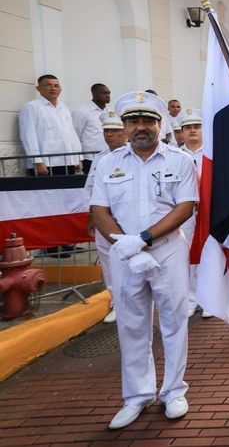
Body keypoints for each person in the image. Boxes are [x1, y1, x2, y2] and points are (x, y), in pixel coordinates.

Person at [90, 91, 197, 429]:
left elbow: (185, 206)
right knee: (131, 325)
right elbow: (99, 209)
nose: (141, 127)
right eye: (134, 121)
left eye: (148, 121)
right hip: (124, 255)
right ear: (123, 126)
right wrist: (125, 244)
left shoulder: (179, 160)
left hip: (166, 250)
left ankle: (174, 391)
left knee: (174, 321)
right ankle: (136, 395)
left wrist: (144, 239)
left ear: (159, 125)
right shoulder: (109, 163)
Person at [83, 110, 128, 324]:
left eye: (115, 131)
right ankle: (117, 303)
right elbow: (90, 190)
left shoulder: (133, 156)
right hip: (103, 219)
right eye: (106, 131)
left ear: (125, 133)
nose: (110, 135)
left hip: (127, 218)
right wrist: (91, 216)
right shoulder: (100, 159)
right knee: (108, 263)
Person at [174, 108, 207, 318]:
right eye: (188, 127)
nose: (192, 131)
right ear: (182, 132)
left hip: (208, 211)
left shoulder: (212, 153)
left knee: (209, 254)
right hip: (184, 212)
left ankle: (208, 298)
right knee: (187, 255)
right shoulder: (174, 155)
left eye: (196, 126)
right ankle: (191, 298)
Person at [19, 74, 82, 175]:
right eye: (48, 85)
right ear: (38, 88)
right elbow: (28, 136)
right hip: (46, 164)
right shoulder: (31, 107)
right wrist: (37, 161)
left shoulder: (64, 108)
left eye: (56, 86)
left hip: (68, 162)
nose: (53, 89)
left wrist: (78, 158)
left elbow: (71, 133)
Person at [72, 83, 111, 173]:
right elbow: (74, 136)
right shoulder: (82, 112)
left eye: (108, 93)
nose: (108, 96)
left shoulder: (110, 112)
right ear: (94, 94)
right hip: (90, 158)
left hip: (108, 157)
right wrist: (77, 158)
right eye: (104, 93)